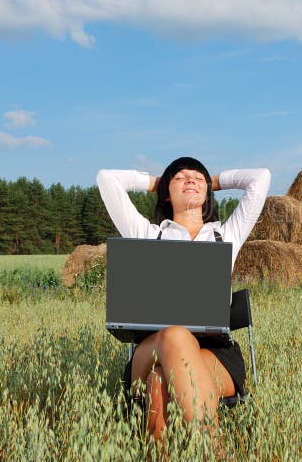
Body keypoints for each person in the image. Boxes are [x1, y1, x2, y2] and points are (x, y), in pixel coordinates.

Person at [96, 157, 271, 441]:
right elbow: (107, 178)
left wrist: (213, 181)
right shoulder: (148, 234)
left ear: (208, 192)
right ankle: (211, 448)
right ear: (166, 192)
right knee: (175, 335)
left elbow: (260, 177)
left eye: (197, 178)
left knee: (159, 381)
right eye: (180, 177)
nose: (190, 179)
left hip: (215, 352)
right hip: (152, 347)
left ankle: (160, 453)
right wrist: (157, 181)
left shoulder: (225, 235)